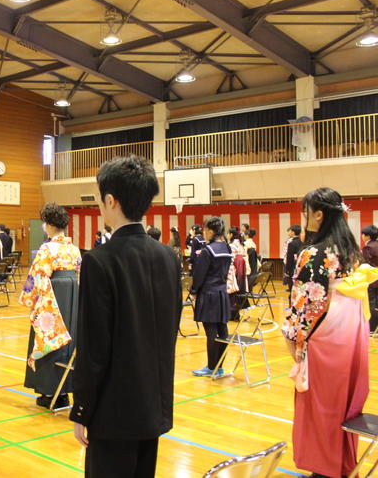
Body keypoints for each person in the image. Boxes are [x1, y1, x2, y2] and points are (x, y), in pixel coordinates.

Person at [71, 156, 182, 478]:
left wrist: (82, 408)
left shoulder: (99, 261)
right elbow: (170, 329)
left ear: (110, 200)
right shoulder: (168, 257)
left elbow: (93, 348)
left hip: (113, 412)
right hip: (154, 405)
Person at [283, 188, 370, 478]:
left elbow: (305, 303)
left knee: (320, 405)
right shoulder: (349, 250)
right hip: (350, 330)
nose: (303, 217)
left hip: (325, 334)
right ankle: (340, 464)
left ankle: (324, 469)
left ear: (318, 215)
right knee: (342, 403)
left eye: (305, 212)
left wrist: (294, 340)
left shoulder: (313, 252)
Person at [20, 202, 81, 410]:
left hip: (52, 295)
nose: (44, 227)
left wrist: (30, 299)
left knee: (48, 335)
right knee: (68, 339)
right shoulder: (74, 249)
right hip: (73, 295)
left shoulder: (47, 248)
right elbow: (80, 273)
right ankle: (64, 391)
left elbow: (38, 275)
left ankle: (48, 391)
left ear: (50, 225)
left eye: (45, 223)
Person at [189, 217, 234, 378]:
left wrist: (193, 290)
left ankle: (211, 367)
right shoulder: (227, 248)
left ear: (210, 231)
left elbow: (199, 274)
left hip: (208, 294)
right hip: (222, 293)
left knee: (211, 332)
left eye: (205, 230)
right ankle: (219, 367)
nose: (204, 233)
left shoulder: (208, 250)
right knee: (223, 331)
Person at [362, 224, 378, 332]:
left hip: (372, 281)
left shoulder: (368, 247)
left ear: (367, 236)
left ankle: (372, 328)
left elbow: (365, 264)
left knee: (371, 304)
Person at [284, 225, 302, 292]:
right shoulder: (301, 242)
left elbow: (289, 257)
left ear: (293, 232)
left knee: (292, 284)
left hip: (292, 266)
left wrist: (287, 269)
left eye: (290, 231)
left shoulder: (291, 243)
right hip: (300, 265)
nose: (289, 232)